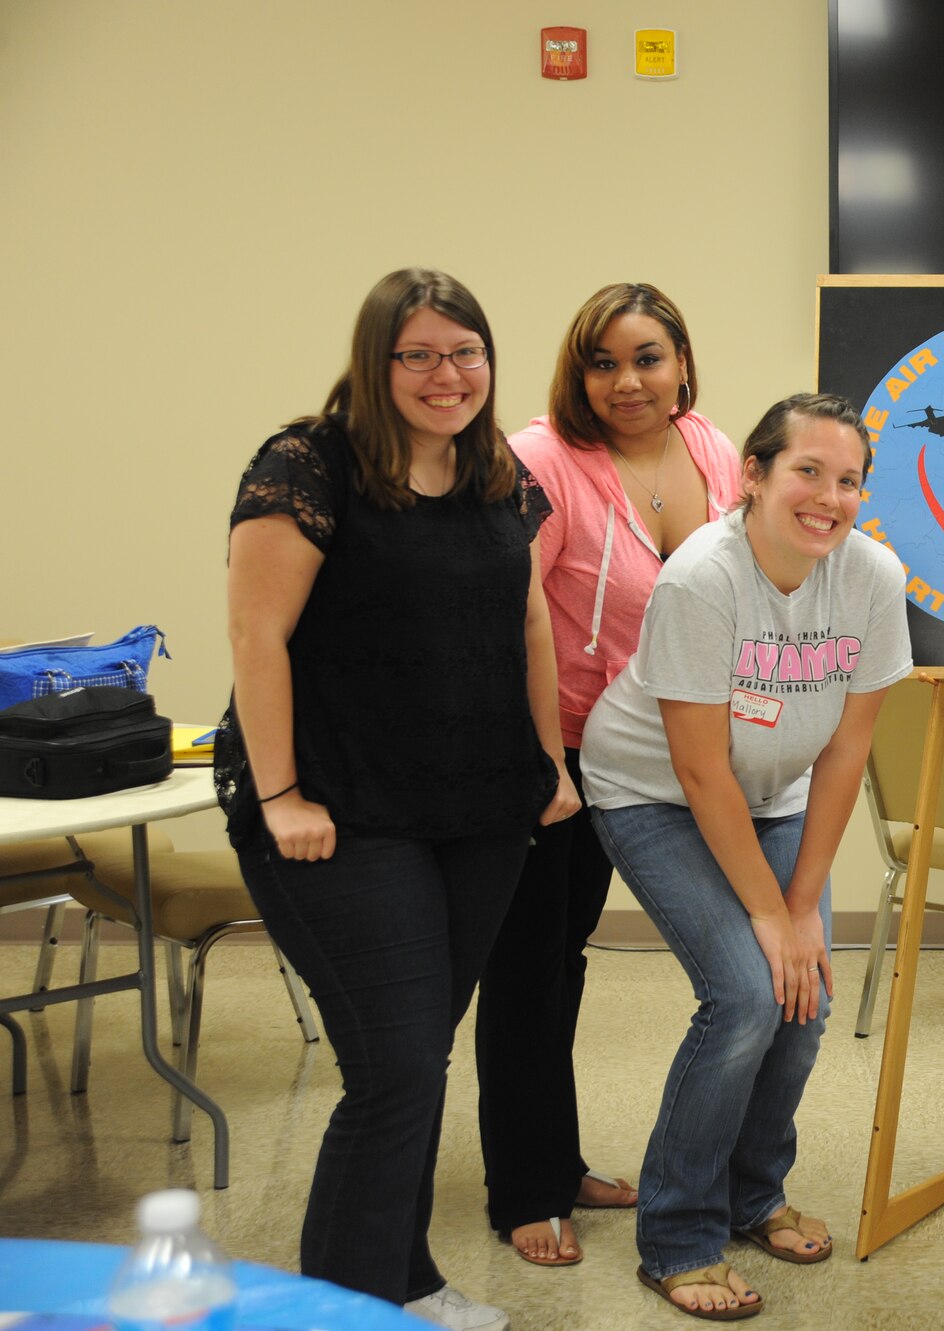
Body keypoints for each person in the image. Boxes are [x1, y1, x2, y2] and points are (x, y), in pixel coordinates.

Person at [216, 268, 580, 1331]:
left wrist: (549, 763)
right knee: (398, 1064)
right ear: (375, 364)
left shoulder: (495, 471)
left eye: (463, 351)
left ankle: (401, 1278)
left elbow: (526, 623)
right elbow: (256, 635)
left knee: (417, 1054)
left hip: (474, 809)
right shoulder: (307, 462)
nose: (445, 374)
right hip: (337, 807)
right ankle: (345, 1306)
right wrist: (279, 792)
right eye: (415, 353)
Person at [581, 392, 910, 1319]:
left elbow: (848, 750)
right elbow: (697, 765)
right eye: (808, 470)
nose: (830, 497)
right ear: (754, 475)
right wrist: (770, 914)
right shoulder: (703, 580)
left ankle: (751, 1195)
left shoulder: (874, 577)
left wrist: (802, 904)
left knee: (803, 998)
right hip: (656, 792)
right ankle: (678, 1234)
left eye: (850, 480)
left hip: (778, 795)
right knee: (744, 993)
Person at [475, 283, 742, 1267]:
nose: (626, 381)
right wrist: (544, 762)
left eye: (646, 357)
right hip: (563, 749)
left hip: (673, 749)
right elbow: (510, 615)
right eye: (603, 361)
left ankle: (559, 1151)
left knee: (574, 957)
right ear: (576, 372)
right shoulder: (540, 458)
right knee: (529, 963)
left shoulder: (708, 446)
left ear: (681, 362)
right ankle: (526, 1185)